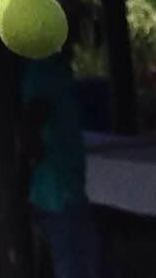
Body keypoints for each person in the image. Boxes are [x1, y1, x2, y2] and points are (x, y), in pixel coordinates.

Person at [17, 30, 99, 278]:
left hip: (64, 188)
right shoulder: (44, 68)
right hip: (57, 192)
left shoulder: (53, 67)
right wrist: (33, 162)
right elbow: (31, 121)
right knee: (74, 267)